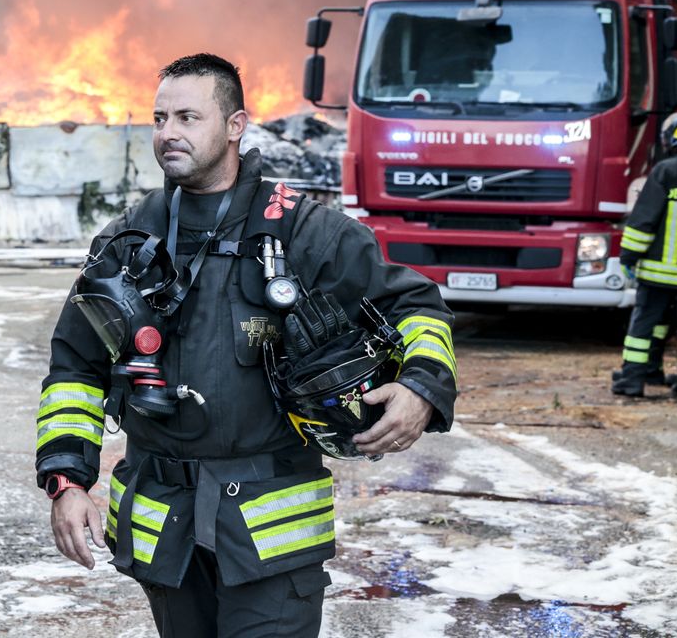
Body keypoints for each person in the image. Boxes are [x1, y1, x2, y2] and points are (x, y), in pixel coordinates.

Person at [36, 53, 458, 638]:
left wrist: (420, 389)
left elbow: (415, 305)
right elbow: (74, 369)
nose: (168, 133)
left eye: (188, 117)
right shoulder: (128, 240)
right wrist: (68, 480)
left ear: (235, 126)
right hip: (167, 535)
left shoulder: (303, 230)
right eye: (160, 118)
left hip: (270, 539)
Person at [614, 111, 677, 399]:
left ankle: (632, 380)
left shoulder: (665, 170)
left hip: (657, 272)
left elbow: (644, 219)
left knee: (643, 325)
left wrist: (628, 256)